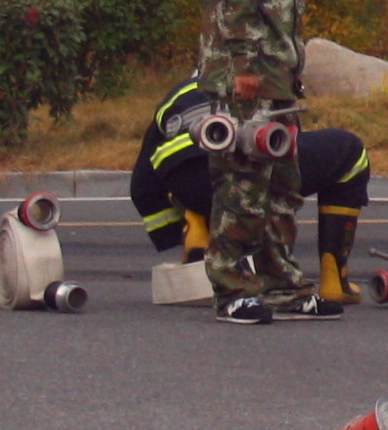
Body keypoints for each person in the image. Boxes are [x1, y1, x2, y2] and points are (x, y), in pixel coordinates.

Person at [201, 0, 339, 323]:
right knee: (243, 180)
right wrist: (242, 66)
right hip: (246, 69)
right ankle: (231, 285)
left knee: (283, 183)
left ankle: (281, 283)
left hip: (279, 68)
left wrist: (293, 62)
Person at [127, 78, 370, 298]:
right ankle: (334, 281)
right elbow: (284, 147)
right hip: (246, 167)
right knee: (350, 152)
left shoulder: (177, 94)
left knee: (197, 172)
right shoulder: (262, 75)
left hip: (186, 177)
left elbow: (141, 183)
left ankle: (196, 226)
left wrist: (174, 227)